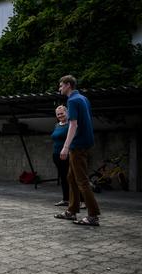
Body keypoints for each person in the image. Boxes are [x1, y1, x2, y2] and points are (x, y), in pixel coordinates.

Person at [54, 75, 100, 226]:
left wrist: (66, 147)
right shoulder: (83, 98)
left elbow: (73, 124)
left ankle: (93, 216)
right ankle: (71, 211)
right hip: (85, 142)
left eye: (61, 85)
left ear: (68, 85)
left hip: (77, 145)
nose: (60, 88)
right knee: (71, 177)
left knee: (82, 181)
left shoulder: (72, 100)